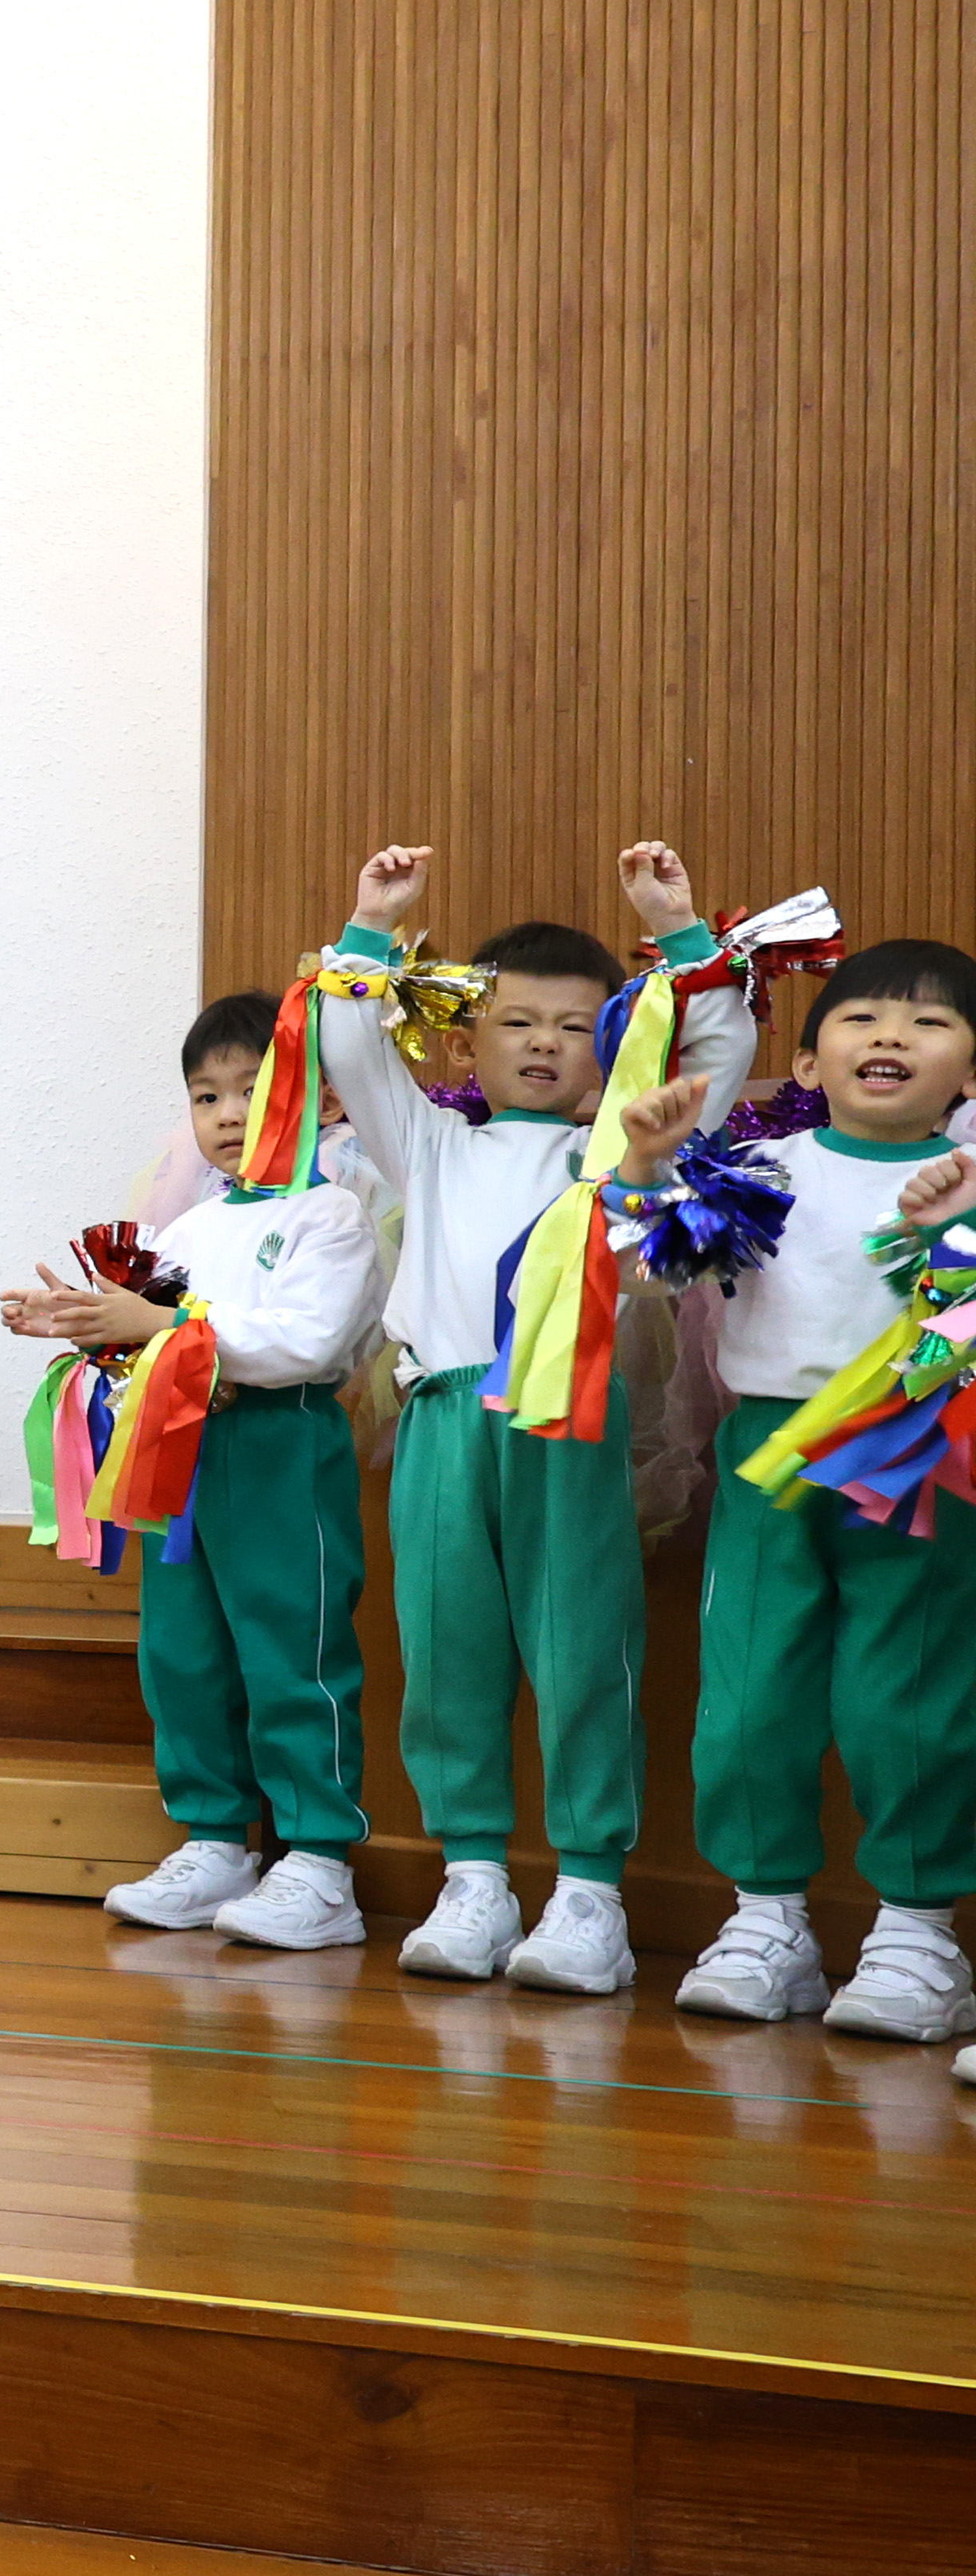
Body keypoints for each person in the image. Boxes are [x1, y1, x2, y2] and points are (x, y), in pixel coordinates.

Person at [318, 844, 748, 1987]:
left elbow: (713, 1060)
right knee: (445, 1648)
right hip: (443, 1420)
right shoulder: (431, 1146)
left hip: (571, 1420)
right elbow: (350, 1048)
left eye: (572, 1025)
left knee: (582, 1645)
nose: (544, 1043)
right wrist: (372, 924)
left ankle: (590, 1894)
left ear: (611, 1046)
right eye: (516, 1023)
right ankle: (473, 1879)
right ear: (467, 1044)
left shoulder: (620, 1154)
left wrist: (680, 930)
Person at [14, 993, 387, 1947]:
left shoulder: (332, 1215)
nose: (227, 1113)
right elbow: (142, 1336)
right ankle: (216, 1839)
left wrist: (165, 1327)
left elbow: (306, 1342)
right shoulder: (186, 1230)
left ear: (324, 1101)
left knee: (291, 1647)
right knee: (183, 1652)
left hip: (279, 1446)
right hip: (178, 1455)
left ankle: (320, 1861)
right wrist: (79, 1323)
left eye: (252, 1090)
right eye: (207, 1096)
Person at [669, 938, 976, 2040]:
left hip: (922, 1448)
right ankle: (767, 1921)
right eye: (862, 1018)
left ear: (970, 1074)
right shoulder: (764, 1169)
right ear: (806, 1061)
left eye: (930, 1023)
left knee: (911, 1689)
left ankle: (917, 1934)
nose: (892, 1035)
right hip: (772, 1454)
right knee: (751, 1688)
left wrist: (954, 1233)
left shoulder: (970, 1177)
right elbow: (648, 1262)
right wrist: (649, 1166)